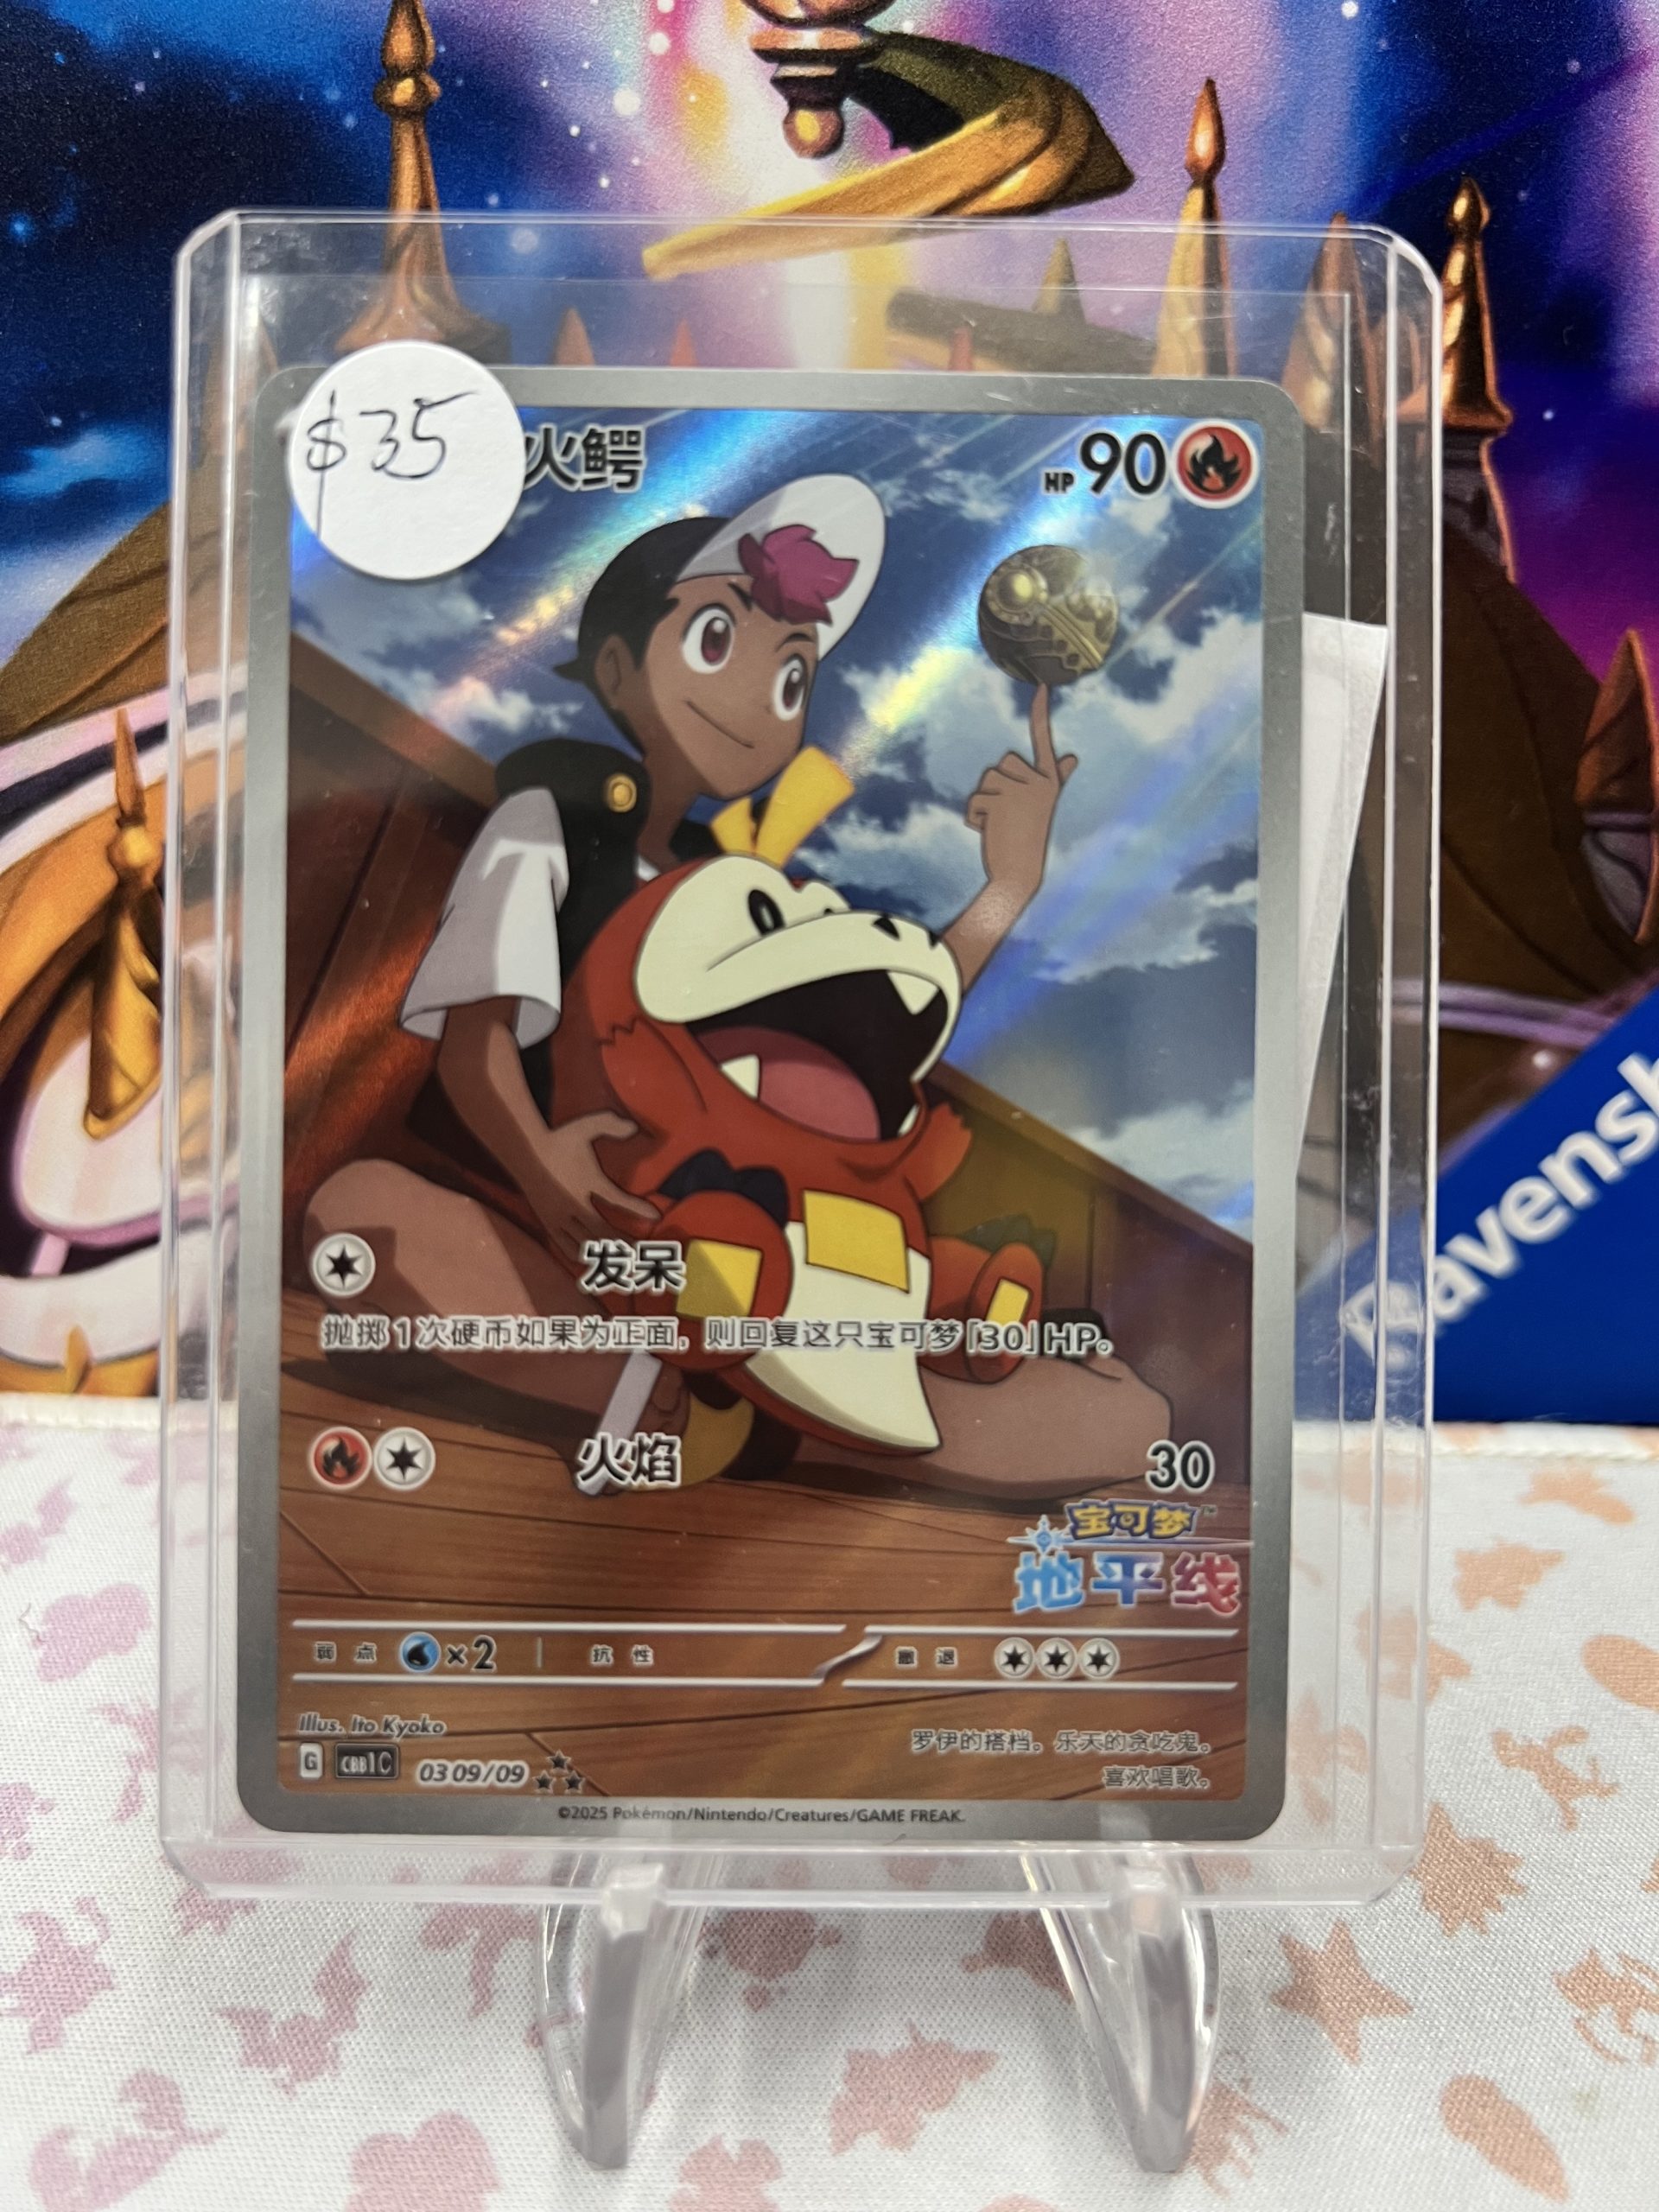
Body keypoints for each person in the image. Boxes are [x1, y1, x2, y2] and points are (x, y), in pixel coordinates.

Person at [308, 474, 1167, 1493]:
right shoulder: (550, 823)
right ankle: (702, 1398)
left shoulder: (748, 885)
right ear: (617, 667)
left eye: (792, 677)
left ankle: (759, 1399)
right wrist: (545, 1171)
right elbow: (475, 1041)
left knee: (1135, 1415)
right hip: (591, 1236)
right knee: (363, 1215)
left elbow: (895, 994)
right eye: (716, 639)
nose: (757, 700)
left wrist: (1008, 885)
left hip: (779, 1267)